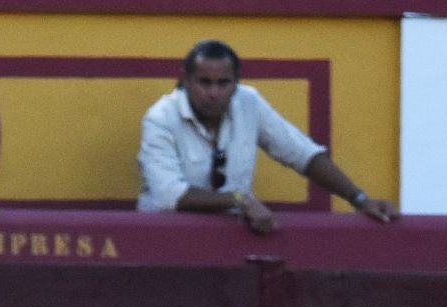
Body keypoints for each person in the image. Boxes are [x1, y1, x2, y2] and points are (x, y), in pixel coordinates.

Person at [137, 39, 398, 236]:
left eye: (223, 83)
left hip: (232, 236)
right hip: (168, 237)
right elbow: (169, 196)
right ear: (185, 79)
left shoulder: (248, 102)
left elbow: (302, 154)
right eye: (204, 82)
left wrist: (359, 199)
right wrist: (239, 200)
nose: (214, 93)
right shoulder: (160, 118)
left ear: (236, 83)